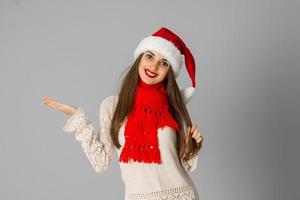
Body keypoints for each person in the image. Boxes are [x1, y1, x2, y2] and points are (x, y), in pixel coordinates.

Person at [42, 27, 204, 200]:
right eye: (149, 56)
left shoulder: (173, 107)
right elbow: (101, 161)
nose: (154, 66)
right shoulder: (113, 106)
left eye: (164, 63)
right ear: (139, 58)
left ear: (169, 72)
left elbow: (181, 164)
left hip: (179, 195)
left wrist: (190, 147)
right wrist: (78, 118)